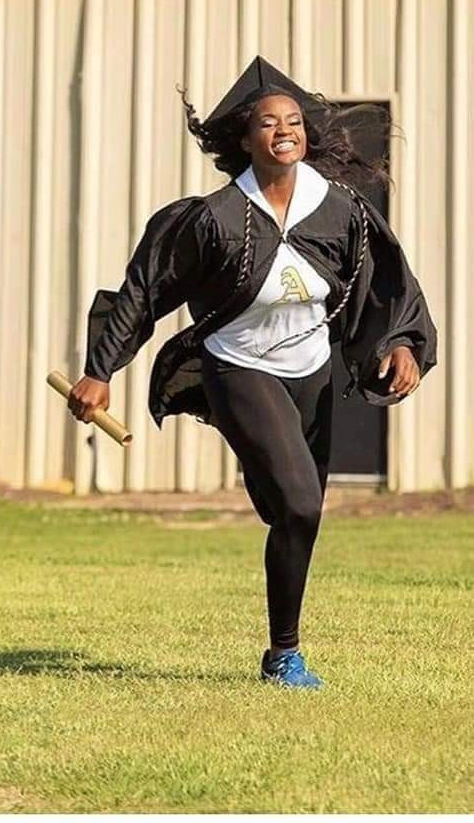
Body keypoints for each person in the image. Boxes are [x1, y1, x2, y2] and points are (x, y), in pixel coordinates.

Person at [68, 56, 437, 689]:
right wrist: (100, 370)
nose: (284, 130)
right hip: (237, 365)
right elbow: (143, 291)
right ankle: (285, 654)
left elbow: (387, 282)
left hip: (311, 369)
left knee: (297, 511)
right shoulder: (212, 217)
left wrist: (403, 342)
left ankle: (278, 647)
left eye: (293, 121)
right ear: (245, 140)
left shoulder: (340, 209)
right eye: (268, 123)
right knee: (299, 503)